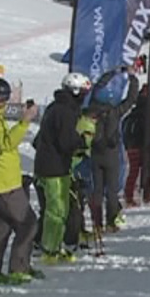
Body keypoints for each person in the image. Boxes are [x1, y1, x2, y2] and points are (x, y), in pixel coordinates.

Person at [0, 77, 40, 284]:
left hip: (7, 180)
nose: (3, 103)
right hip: (4, 185)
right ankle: (19, 268)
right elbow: (5, 143)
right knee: (28, 224)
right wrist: (25, 121)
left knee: (3, 228)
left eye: (5, 99)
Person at [35, 72, 93, 264]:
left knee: (61, 209)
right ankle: (49, 250)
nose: (85, 97)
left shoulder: (57, 107)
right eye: (83, 92)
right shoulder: (65, 111)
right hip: (53, 168)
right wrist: (82, 142)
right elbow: (66, 141)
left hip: (54, 165)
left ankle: (54, 245)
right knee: (56, 211)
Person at [87, 69, 140, 233]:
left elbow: (97, 88)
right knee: (111, 191)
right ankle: (111, 222)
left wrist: (110, 73)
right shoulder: (115, 112)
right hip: (111, 154)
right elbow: (131, 100)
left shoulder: (92, 109)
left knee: (96, 190)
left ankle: (97, 223)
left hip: (96, 153)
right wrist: (132, 78)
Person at [123, 84, 149, 207]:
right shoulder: (146, 114)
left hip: (130, 145)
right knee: (144, 169)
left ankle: (129, 194)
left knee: (133, 171)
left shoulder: (131, 115)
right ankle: (144, 193)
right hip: (141, 144)